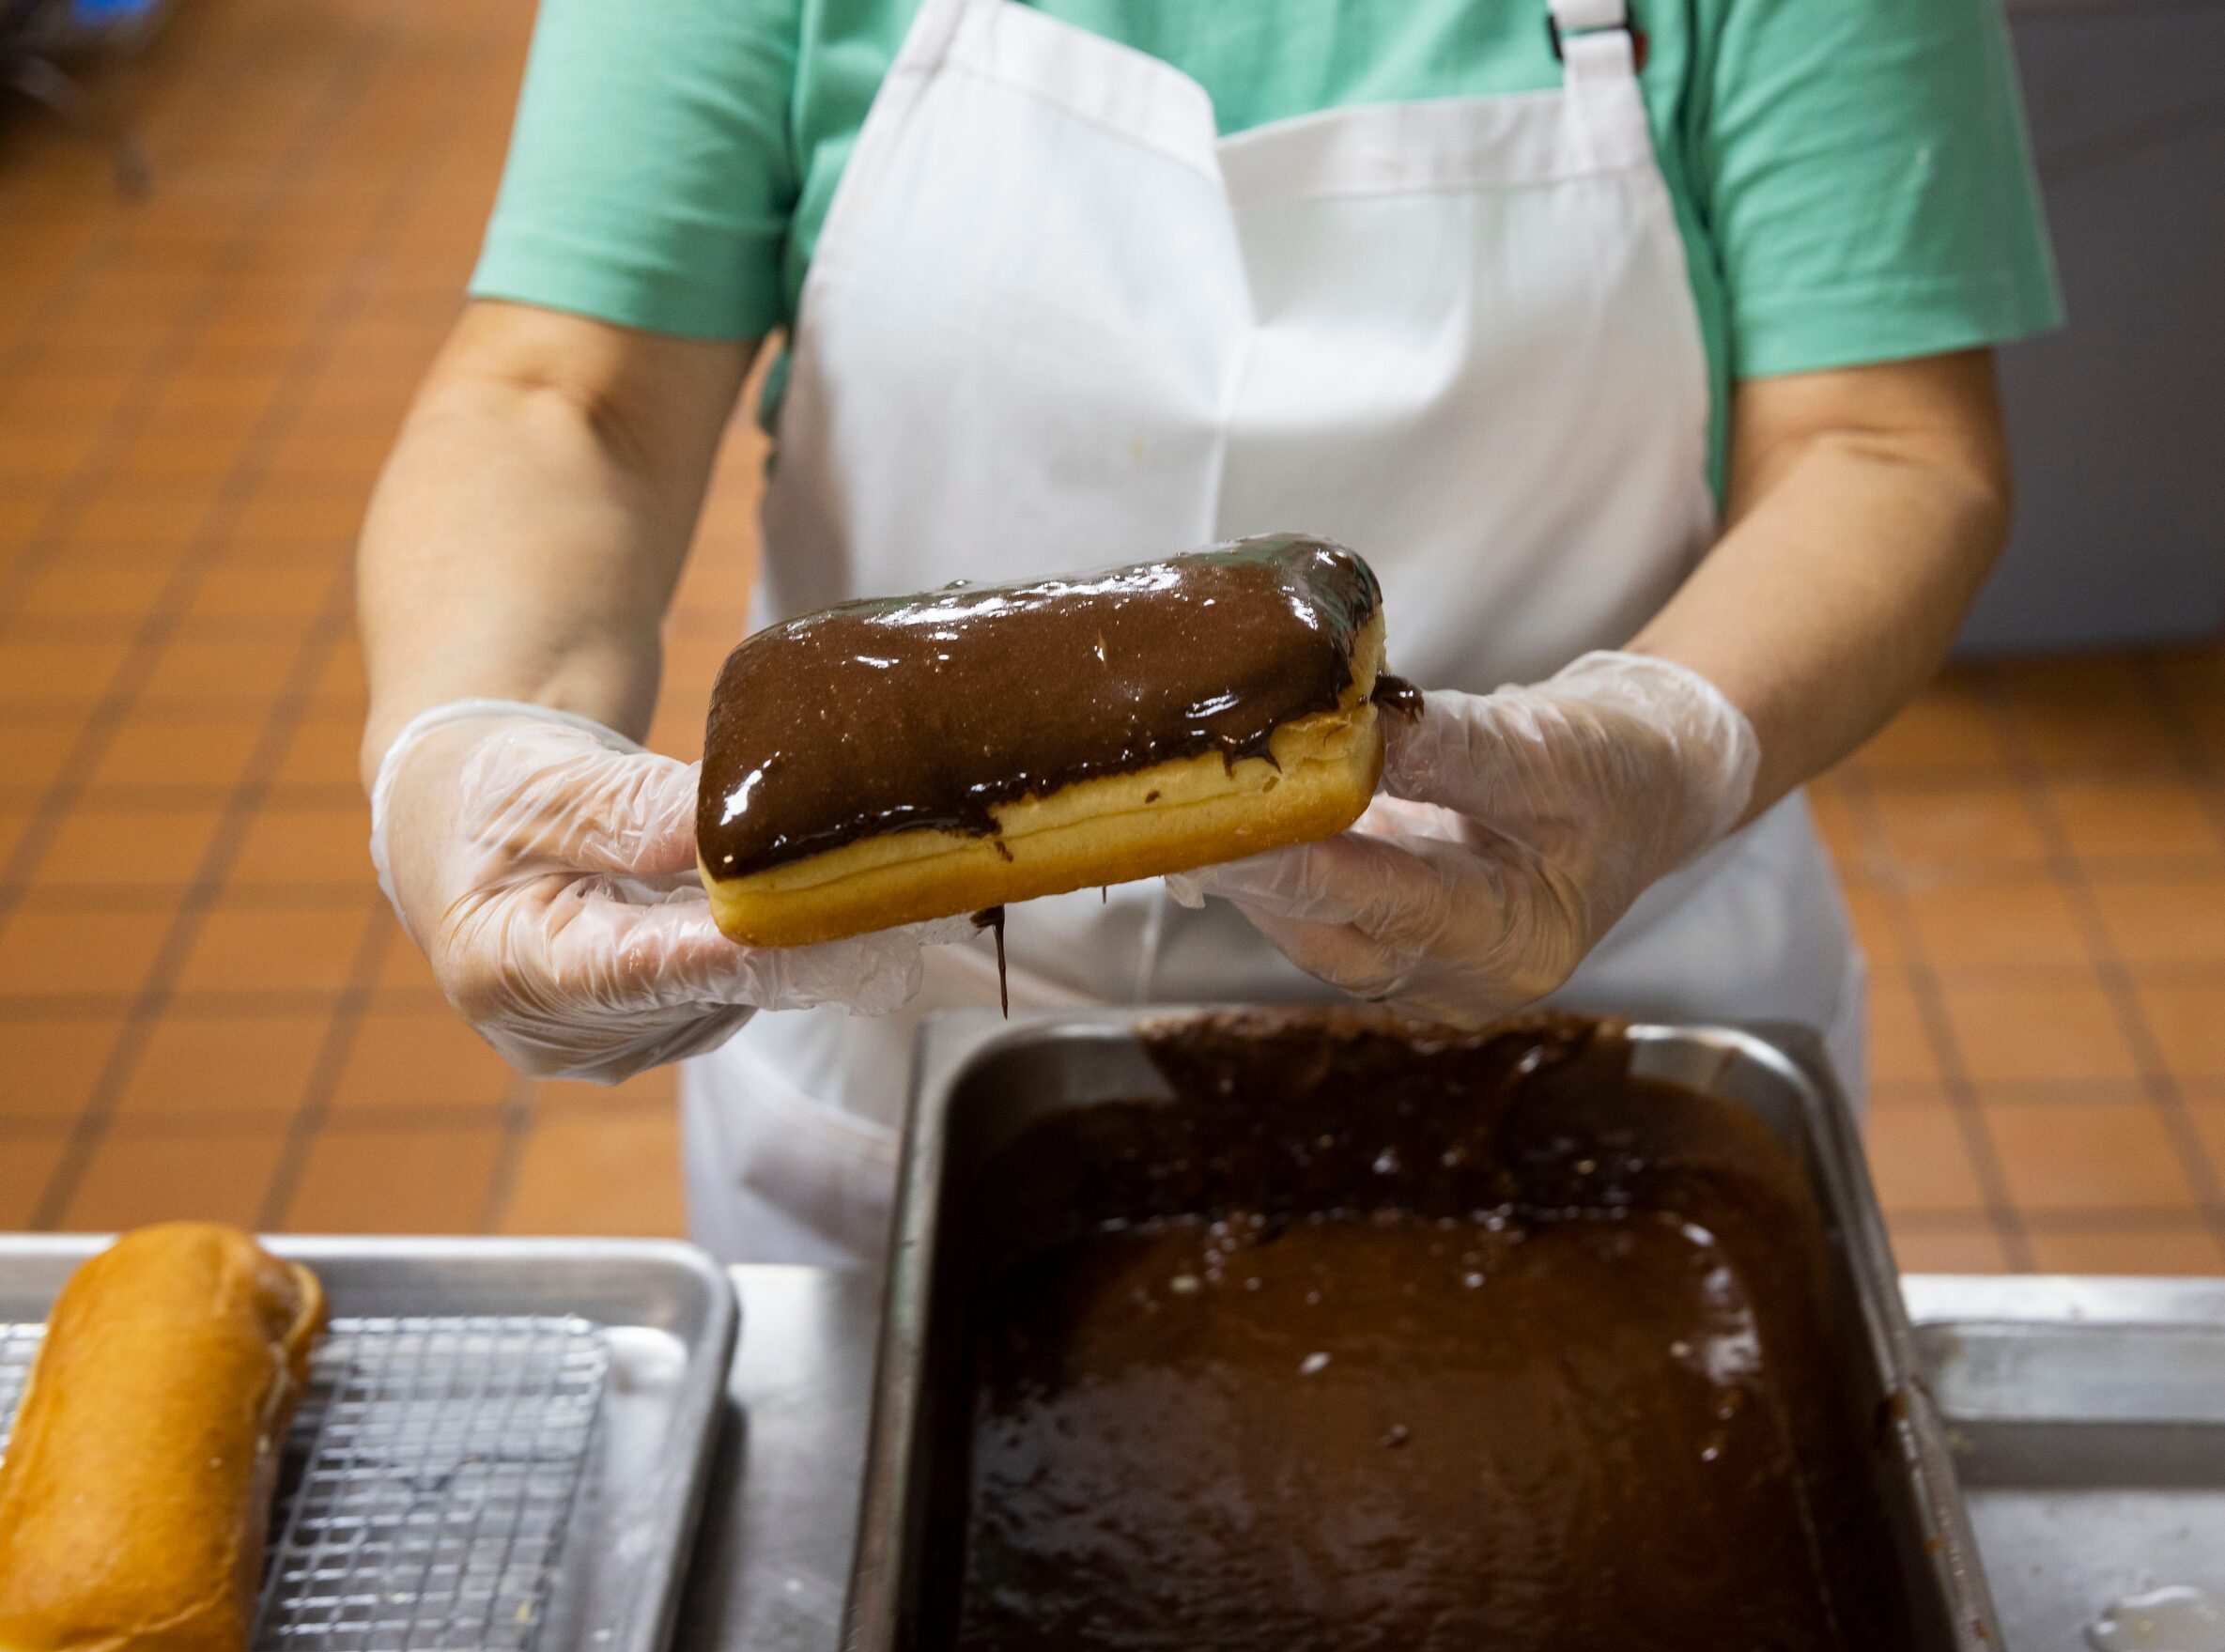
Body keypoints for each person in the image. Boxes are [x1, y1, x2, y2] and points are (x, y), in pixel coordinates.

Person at [361, 0, 2058, 1265]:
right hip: (912, 1088)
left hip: (1593, 1032)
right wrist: (462, 737)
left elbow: (1882, 445)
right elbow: (559, 394)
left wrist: (1658, 747)